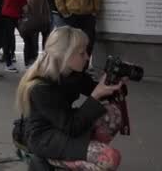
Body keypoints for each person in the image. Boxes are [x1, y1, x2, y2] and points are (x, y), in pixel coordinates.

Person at [16, 27, 124, 170]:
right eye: (82, 53)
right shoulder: (40, 87)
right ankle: (49, 159)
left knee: (113, 113)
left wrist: (114, 80)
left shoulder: (70, 73)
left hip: (63, 126)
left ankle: (83, 152)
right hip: (44, 138)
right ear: (64, 56)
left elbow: (100, 91)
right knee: (110, 158)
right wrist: (95, 95)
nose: (87, 57)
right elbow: (72, 126)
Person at [0, 0, 29, 72]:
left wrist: (25, 4)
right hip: (7, 14)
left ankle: (27, 60)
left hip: (18, 14)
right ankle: (8, 63)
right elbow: (9, 0)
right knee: (8, 39)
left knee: (25, 35)